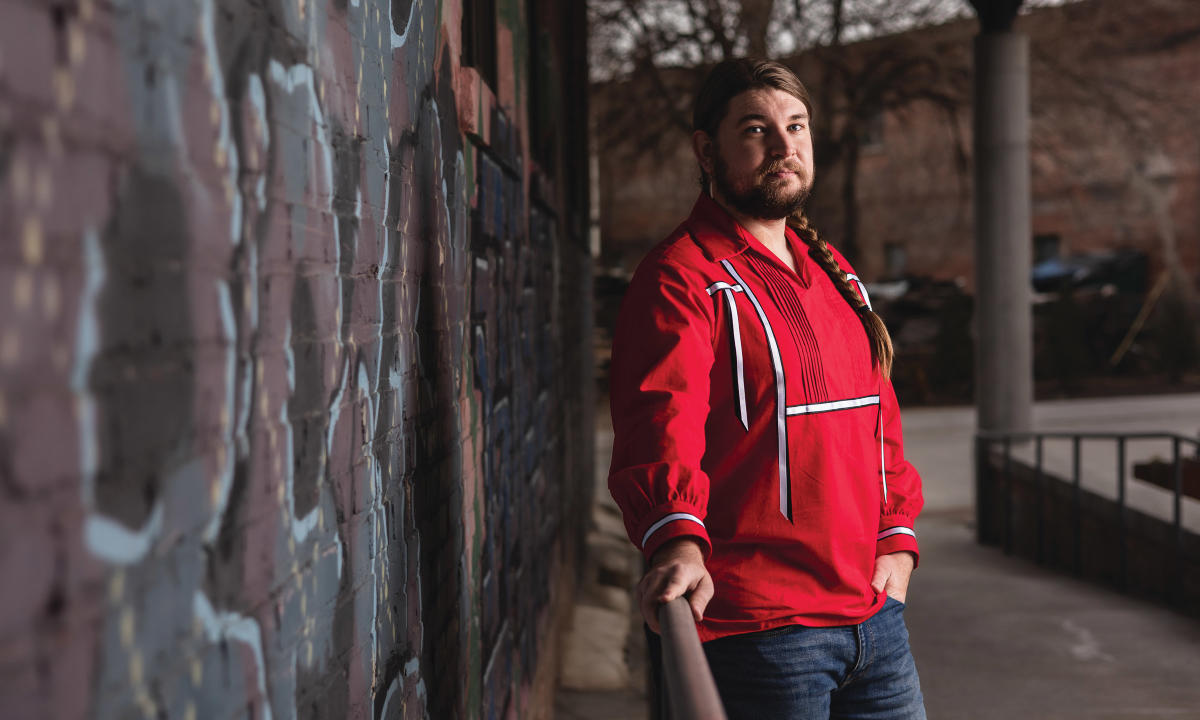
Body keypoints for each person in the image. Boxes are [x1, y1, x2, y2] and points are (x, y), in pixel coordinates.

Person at [607, 58, 926, 719]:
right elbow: (661, 427)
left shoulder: (833, 271)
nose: (784, 147)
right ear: (706, 149)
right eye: (756, 129)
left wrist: (896, 538)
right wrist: (677, 544)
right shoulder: (681, 277)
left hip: (875, 625)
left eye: (796, 126)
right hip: (762, 633)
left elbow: (879, 422)